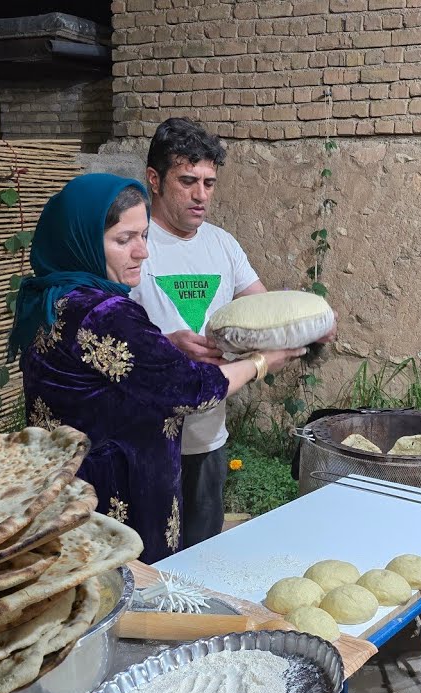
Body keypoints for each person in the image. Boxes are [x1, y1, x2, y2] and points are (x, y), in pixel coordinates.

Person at [7, 173, 305, 563]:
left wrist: (162, 345)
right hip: (116, 495)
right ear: (81, 239)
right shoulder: (107, 311)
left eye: (144, 236)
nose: (142, 252)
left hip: (65, 488)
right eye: (123, 239)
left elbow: (95, 364)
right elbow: (194, 391)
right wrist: (262, 361)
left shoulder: (51, 295)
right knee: (133, 595)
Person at [130, 117, 333, 549]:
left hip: (206, 436)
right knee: (144, 563)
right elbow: (109, 338)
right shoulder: (132, 243)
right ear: (154, 179)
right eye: (187, 181)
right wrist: (166, 345)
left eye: (209, 182)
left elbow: (264, 310)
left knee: (200, 556)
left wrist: (313, 325)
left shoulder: (222, 244)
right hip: (141, 441)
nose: (201, 195)